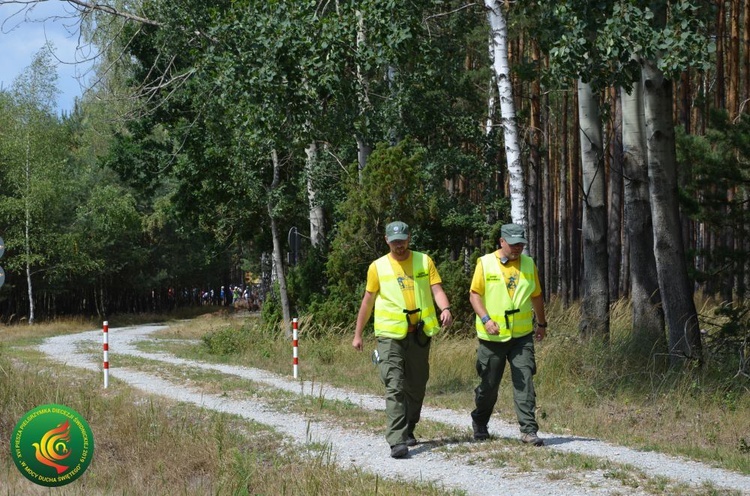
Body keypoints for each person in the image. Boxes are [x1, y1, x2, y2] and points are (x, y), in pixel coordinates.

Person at [352, 221, 453, 459]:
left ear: (409, 238)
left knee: (417, 386)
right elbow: (367, 301)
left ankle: (408, 427)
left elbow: (436, 289)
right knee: (394, 384)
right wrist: (358, 334)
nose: (399, 245)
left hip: (419, 333)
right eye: (395, 241)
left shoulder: (424, 261)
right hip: (389, 335)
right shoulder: (377, 267)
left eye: (403, 240)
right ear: (387, 240)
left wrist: (445, 308)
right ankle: (397, 440)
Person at [468, 223, 548, 446]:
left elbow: (537, 296)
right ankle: (480, 421)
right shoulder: (485, 263)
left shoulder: (529, 264)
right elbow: (474, 296)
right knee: (489, 385)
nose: (517, 248)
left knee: (524, 381)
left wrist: (541, 323)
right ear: (502, 241)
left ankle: (528, 430)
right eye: (513, 244)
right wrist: (486, 319)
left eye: (521, 244)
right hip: (492, 337)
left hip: (522, 337)